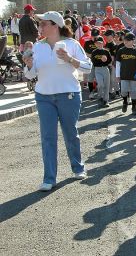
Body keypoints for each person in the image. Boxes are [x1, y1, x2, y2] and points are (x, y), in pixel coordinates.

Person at [23, 11, 92, 191]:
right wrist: (29, 65)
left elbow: (87, 67)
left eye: (43, 24)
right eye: (40, 24)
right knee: (48, 137)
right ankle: (49, 178)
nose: (40, 27)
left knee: (70, 133)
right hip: (44, 96)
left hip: (68, 95)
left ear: (55, 25)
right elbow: (30, 75)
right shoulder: (38, 46)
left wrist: (69, 59)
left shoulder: (72, 44)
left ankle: (78, 167)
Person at [116, 32, 136, 114]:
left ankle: (134, 107)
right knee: (123, 90)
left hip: (134, 75)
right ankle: (125, 102)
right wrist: (117, 75)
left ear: (133, 41)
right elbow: (118, 64)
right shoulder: (121, 50)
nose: (126, 41)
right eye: (125, 40)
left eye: (128, 40)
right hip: (123, 75)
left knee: (134, 91)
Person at [91, 36, 112, 107]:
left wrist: (105, 61)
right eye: (97, 43)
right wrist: (101, 60)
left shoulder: (106, 51)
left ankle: (106, 100)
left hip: (105, 68)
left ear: (103, 43)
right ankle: (100, 97)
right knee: (100, 84)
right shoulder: (94, 52)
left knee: (106, 85)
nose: (99, 44)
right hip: (97, 69)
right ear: (95, 44)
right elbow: (93, 62)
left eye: (100, 43)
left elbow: (110, 60)